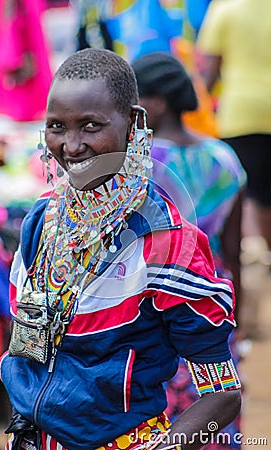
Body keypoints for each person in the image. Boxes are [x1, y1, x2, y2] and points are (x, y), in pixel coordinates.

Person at [0, 48, 241, 450]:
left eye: (91, 126)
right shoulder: (40, 223)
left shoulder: (163, 242)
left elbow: (222, 393)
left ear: (134, 124)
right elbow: (25, 350)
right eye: (57, 126)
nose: (72, 146)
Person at [131, 51, 246, 449]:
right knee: (215, 406)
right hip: (214, 302)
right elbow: (233, 249)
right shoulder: (224, 159)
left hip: (161, 305)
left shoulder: (144, 164)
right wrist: (238, 317)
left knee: (169, 422)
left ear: (156, 104)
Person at [196, 0, 271, 262]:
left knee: (245, 191)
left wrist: (194, 105)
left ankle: (254, 258)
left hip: (241, 113)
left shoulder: (225, 8)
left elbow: (211, 70)